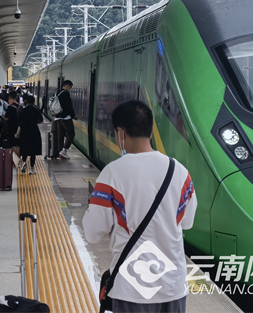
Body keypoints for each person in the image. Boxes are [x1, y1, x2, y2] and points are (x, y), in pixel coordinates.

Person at [83, 100, 196, 312]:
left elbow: (92, 232)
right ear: (150, 131)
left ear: (120, 133)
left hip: (131, 288)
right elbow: (187, 222)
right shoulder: (179, 171)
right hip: (173, 286)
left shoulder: (112, 173)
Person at [18, 96, 43, 175]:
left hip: (24, 131)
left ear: (26, 101)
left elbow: (19, 120)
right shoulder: (36, 110)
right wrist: (34, 122)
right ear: (34, 102)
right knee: (33, 151)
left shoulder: (23, 110)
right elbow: (41, 120)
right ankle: (32, 169)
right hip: (34, 131)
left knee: (25, 148)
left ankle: (24, 162)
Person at [52, 80, 76, 160]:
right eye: (70, 87)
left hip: (57, 117)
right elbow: (69, 106)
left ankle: (60, 153)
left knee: (60, 135)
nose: (70, 88)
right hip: (65, 117)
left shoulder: (57, 93)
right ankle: (64, 151)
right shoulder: (65, 93)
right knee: (71, 133)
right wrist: (73, 115)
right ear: (67, 86)